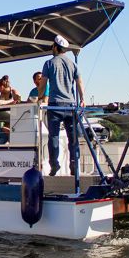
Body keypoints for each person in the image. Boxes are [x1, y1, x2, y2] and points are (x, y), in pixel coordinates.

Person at [37, 35, 85, 176]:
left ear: (55, 47)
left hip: (54, 105)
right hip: (70, 105)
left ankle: (55, 165)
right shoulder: (72, 64)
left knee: (54, 137)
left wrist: (40, 97)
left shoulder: (49, 63)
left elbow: (43, 84)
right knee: (73, 138)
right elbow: (79, 82)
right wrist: (82, 99)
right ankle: (74, 166)